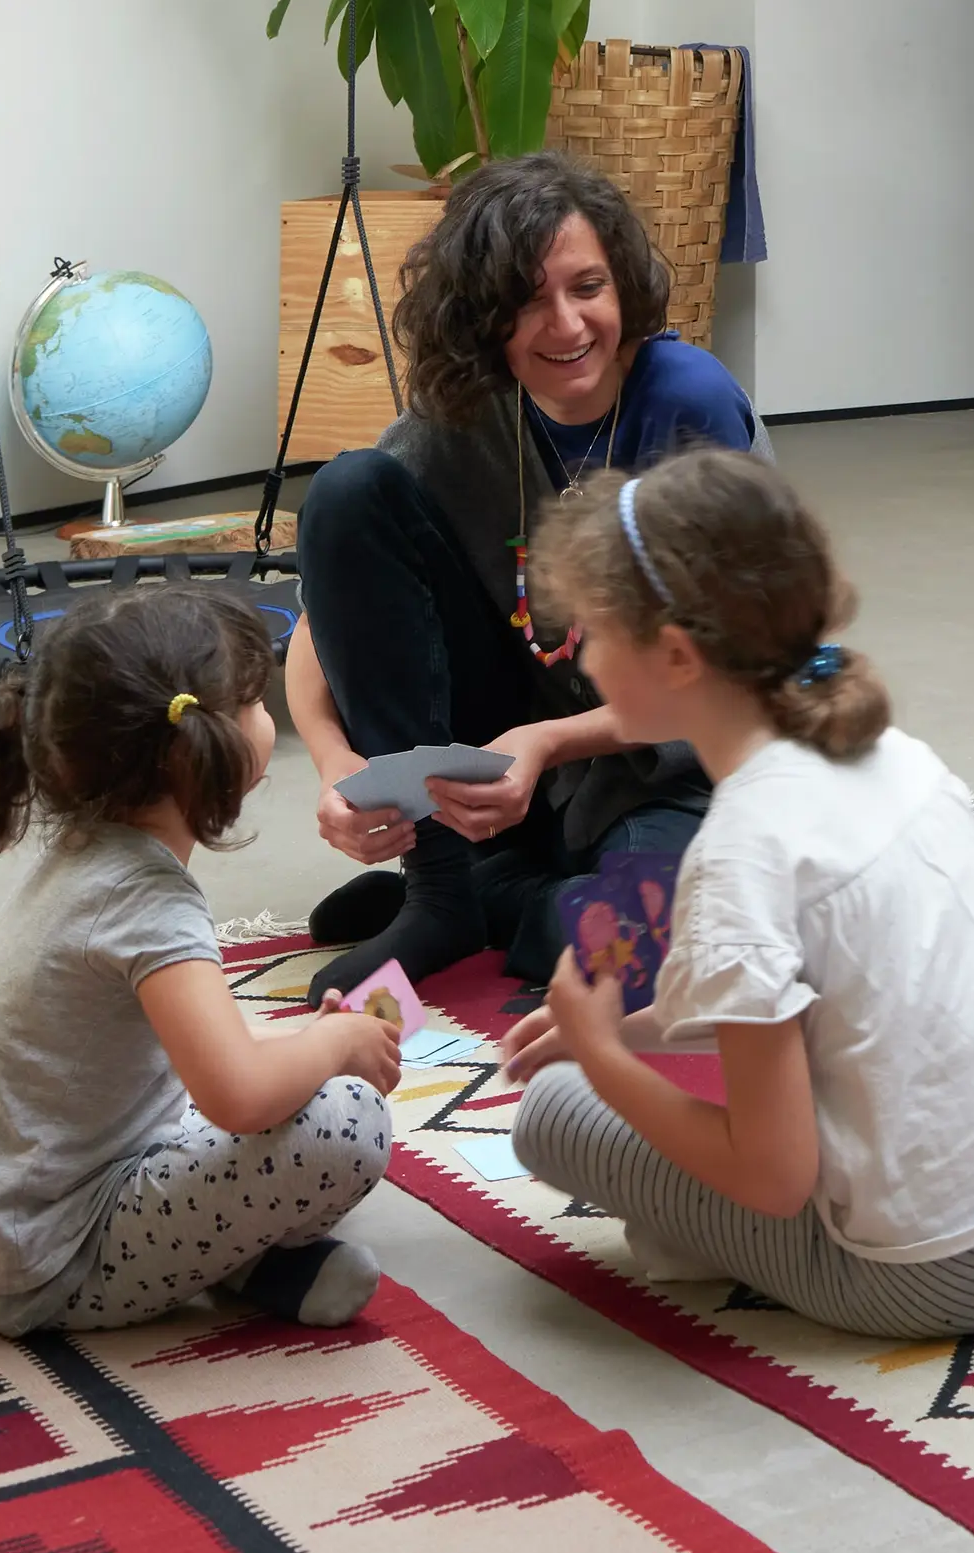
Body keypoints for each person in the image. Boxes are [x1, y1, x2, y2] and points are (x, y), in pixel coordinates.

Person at [498, 452, 974, 1332]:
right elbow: (846, 977)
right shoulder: (896, 754)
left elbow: (771, 1177)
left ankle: (701, 1249)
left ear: (676, 654)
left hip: (940, 1274)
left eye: (593, 635)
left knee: (554, 1115)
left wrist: (604, 1058)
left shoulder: (739, 853)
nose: (584, 663)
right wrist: (635, 1025)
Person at [290, 154, 759, 1000]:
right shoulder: (459, 417)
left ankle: (485, 892)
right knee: (346, 491)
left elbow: (737, 674)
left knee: (645, 958)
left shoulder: (687, 401)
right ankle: (441, 885)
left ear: (625, 285)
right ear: (481, 316)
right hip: (522, 766)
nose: (566, 324)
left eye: (588, 287)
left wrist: (547, 743)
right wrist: (337, 773)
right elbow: (316, 638)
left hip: (677, 761)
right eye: (526, 300)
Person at [0, 580, 399, 1335]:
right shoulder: (148, 902)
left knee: (277, 1070)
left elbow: (178, 1049)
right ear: (203, 748)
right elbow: (236, 1096)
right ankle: (246, 1261)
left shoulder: (89, 857)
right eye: (258, 704)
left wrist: (304, 1046)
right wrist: (331, 1047)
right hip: (45, 1265)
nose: (271, 719)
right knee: (347, 1122)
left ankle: (244, 1257)